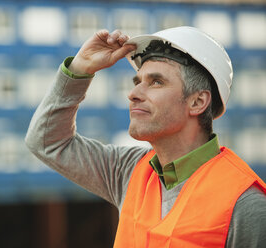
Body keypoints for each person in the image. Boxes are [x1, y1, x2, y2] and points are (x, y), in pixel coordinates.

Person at [25, 26, 266, 247]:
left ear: (198, 101)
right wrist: (80, 68)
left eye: (156, 82)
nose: (134, 93)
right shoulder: (129, 170)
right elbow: (47, 141)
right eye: (138, 81)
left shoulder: (246, 204)